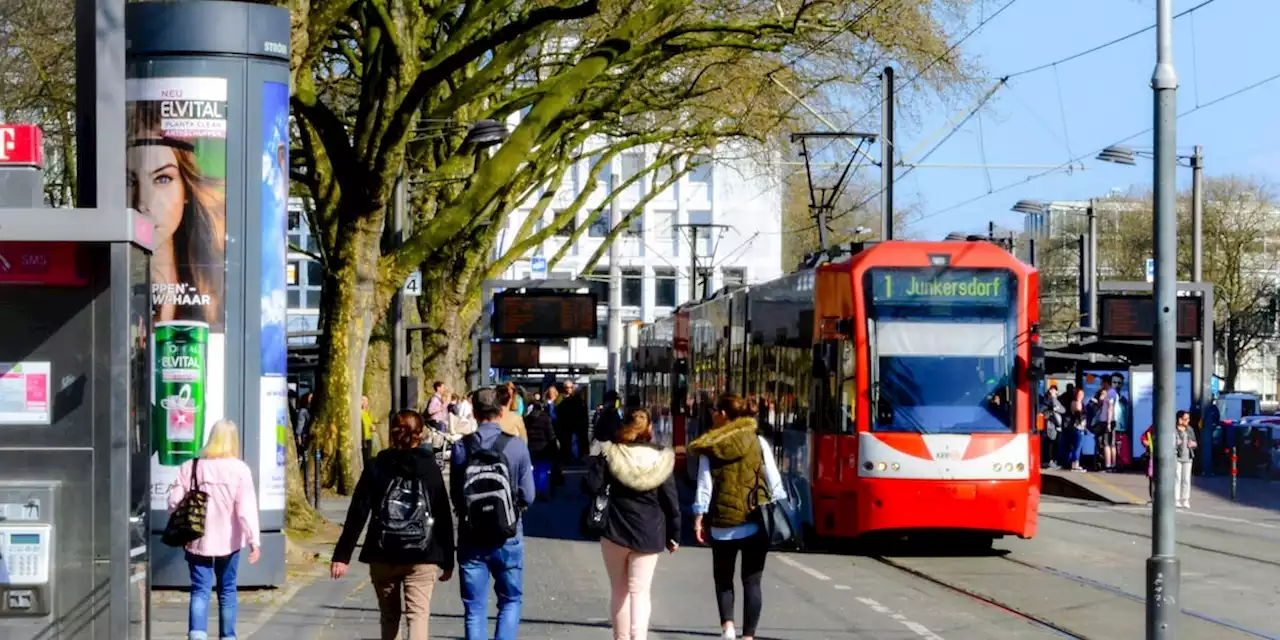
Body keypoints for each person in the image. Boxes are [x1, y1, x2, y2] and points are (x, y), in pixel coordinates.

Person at [331, 410, 454, 640]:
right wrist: (448, 558)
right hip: (423, 553)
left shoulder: (377, 466)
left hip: (383, 551)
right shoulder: (430, 468)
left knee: (389, 615)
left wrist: (342, 555)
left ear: (392, 433)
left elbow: (358, 511)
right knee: (417, 615)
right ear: (420, 435)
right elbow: (442, 513)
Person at [689, 394, 785, 640]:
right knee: (752, 582)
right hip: (755, 521)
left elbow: (705, 486)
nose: (712, 414)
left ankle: (728, 629)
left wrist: (699, 516)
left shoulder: (710, 447)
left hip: (723, 522)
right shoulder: (759, 442)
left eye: (715, 410)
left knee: (723, 579)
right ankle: (748, 636)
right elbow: (775, 482)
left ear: (724, 415)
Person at [127, 101, 227, 327]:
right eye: (129, 180)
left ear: (185, 188)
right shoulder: (110, 285)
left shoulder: (218, 286)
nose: (143, 203)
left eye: (162, 179)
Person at [584, 408, 680, 640]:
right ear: (649, 429)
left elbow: (590, 486)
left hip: (614, 530)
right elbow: (671, 503)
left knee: (619, 590)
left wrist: (599, 458)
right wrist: (674, 535)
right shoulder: (662, 458)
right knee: (640, 591)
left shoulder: (611, 453)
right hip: (649, 532)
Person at [451, 387, 536, 640]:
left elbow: (457, 494)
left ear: (474, 414)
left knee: (474, 609)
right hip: (507, 534)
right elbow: (528, 495)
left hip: (471, 534)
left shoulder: (461, 448)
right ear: (501, 411)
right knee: (510, 600)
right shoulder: (517, 446)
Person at [166, 419, 261, 640]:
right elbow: (245, 510)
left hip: (197, 540)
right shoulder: (240, 470)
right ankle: (228, 636)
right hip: (229, 542)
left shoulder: (192, 466)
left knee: (200, 590)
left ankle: (197, 636)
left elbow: (173, 501)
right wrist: (253, 540)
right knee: (227, 591)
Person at [525, 399, 559, 499]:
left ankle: (533, 491)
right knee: (543, 470)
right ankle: (541, 491)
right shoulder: (545, 418)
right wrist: (554, 448)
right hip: (543, 447)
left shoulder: (527, 419)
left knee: (533, 470)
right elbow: (550, 434)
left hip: (531, 447)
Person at [1175, 410, 1198, 508]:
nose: (1187, 421)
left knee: (1186, 479)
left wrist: (1193, 444)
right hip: (1177, 456)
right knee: (1177, 478)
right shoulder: (1174, 429)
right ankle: (1176, 499)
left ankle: (1185, 499)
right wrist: (1176, 443)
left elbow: (1195, 443)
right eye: (1185, 419)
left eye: (1188, 419)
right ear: (1179, 419)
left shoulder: (1189, 429)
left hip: (1188, 457)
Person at [362, 395, 377, 464]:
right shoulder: (359, 413)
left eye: (365, 401)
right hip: (362, 439)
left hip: (369, 438)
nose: (364, 402)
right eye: (362, 400)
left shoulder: (367, 413)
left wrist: (373, 427)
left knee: (369, 459)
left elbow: (370, 425)